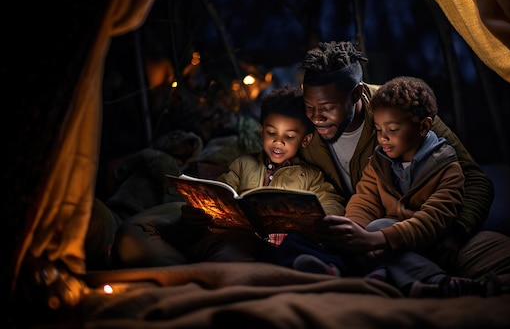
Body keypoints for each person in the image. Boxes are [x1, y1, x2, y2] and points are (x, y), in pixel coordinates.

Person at [291, 40, 510, 300]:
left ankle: (417, 282)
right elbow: (360, 198)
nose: (316, 117)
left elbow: (475, 181)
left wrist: (453, 234)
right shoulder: (300, 129)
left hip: (431, 235)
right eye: (309, 106)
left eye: (327, 108)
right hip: (366, 240)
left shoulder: (398, 108)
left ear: (357, 94)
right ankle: (406, 280)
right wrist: (351, 233)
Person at [111, 85, 344, 267]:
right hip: (236, 240)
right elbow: (220, 190)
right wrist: (197, 211)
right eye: (271, 133)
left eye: (289, 136)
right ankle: (197, 274)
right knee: (228, 250)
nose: (278, 142)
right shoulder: (244, 164)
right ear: (261, 130)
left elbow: (330, 202)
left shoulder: (310, 175)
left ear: (305, 140)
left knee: (294, 251)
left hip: (284, 246)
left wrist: (324, 217)